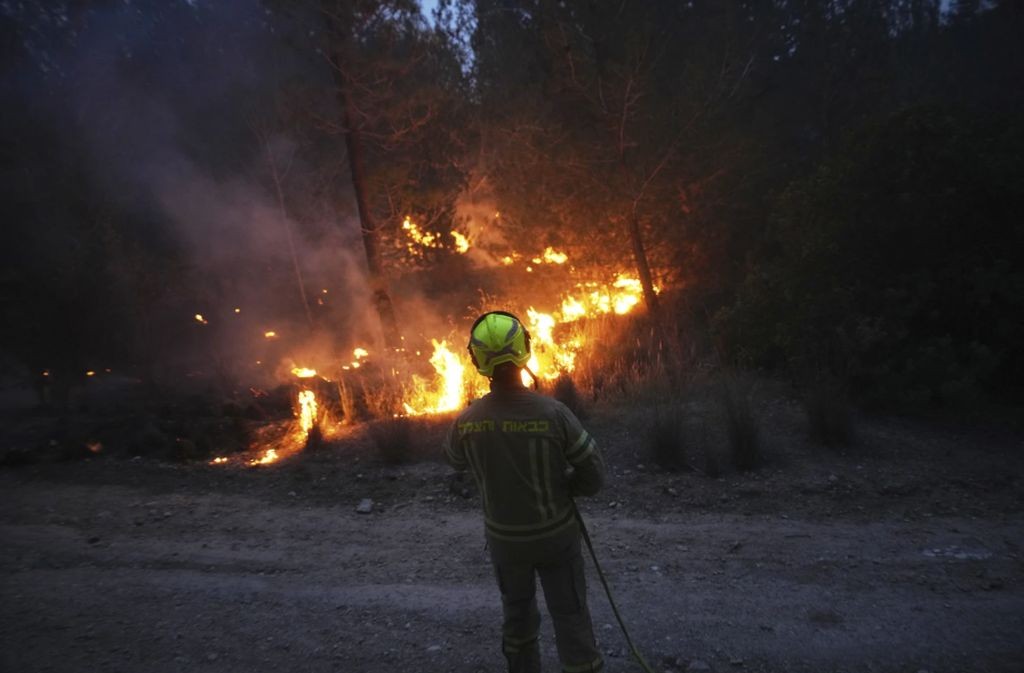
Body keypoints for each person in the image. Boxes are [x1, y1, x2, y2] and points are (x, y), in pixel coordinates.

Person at [445, 310, 606, 673]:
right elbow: (594, 473)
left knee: (517, 619)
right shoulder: (554, 413)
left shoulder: (468, 421)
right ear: (525, 351)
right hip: (556, 536)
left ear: (476, 361)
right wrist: (569, 487)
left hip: (506, 543)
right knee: (571, 616)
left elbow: (453, 459)